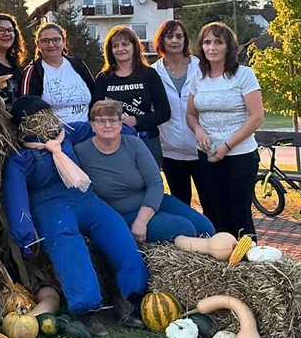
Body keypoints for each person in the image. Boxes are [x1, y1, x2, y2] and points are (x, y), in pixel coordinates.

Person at [2, 96, 147, 336]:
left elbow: (97, 127)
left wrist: (128, 130)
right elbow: (16, 197)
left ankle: (129, 296)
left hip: (84, 197)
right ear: (24, 126)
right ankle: (86, 308)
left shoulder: (66, 133)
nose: (43, 122)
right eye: (35, 119)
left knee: (116, 230)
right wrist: (24, 234)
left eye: (46, 116)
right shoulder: (20, 158)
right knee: (69, 246)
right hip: (50, 207)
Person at [72, 100, 215, 242]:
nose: (108, 125)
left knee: (205, 228)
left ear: (121, 124)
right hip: (124, 212)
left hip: (154, 202)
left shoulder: (133, 144)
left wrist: (142, 220)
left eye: (113, 120)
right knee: (185, 228)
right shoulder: (81, 152)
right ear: (92, 125)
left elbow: (155, 182)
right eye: (101, 121)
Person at [186, 22, 265, 241]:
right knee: (213, 210)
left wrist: (227, 145)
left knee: (238, 213)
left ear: (228, 46)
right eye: (207, 42)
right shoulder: (198, 78)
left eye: (218, 42)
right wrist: (198, 130)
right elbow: (190, 114)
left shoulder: (244, 75)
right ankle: (219, 256)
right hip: (208, 155)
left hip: (240, 155)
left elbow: (256, 116)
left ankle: (245, 257)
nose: (211, 47)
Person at [91, 25, 170, 167]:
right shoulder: (103, 78)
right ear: (110, 50)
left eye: (125, 44)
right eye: (115, 46)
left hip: (146, 141)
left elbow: (164, 113)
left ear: (135, 47)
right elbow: (93, 112)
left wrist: (136, 120)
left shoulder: (149, 74)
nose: (120, 49)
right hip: (113, 143)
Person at [152, 20, 207, 214]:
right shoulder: (153, 73)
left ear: (185, 40)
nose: (174, 40)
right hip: (170, 152)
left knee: (211, 203)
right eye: (169, 36)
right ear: (161, 40)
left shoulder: (201, 67)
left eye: (179, 36)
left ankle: (216, 234)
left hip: (202, 150)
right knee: (181, 207)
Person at [19, 23, 95, 124]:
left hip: (86, 128)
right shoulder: (33, 71)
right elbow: (26, 107)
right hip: (55, 131)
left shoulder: (78, 65)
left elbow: (96, 96)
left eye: (56, 40)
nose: (51, 45)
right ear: (38, 44)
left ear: (64, 42)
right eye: (45, 41)